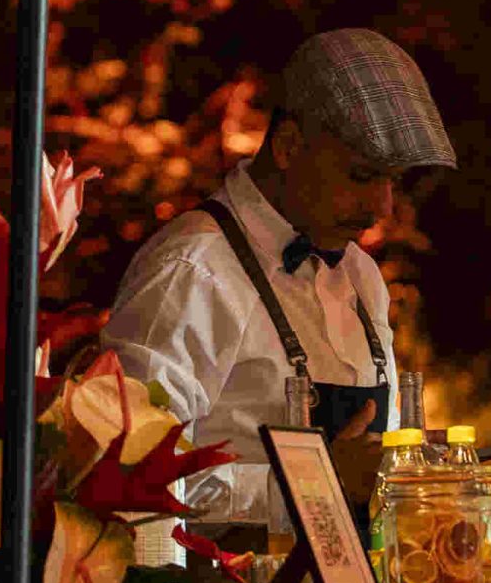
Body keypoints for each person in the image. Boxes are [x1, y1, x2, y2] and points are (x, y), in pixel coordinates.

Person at [103, 29, 456, 520]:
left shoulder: (361, 277)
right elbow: (129, 473)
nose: (382, 207)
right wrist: (309, 487)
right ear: (289, 145)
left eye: (392, 181)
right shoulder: (191, 270)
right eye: (361, 176)